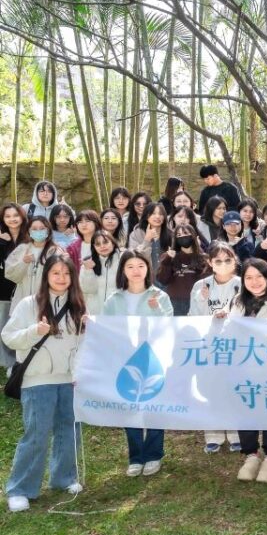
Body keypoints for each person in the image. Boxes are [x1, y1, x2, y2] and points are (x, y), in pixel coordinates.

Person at [2, 254, 87, 512]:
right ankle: (20, 488)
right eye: (56, 273)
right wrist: (34, 332)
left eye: (66, 273)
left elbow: (83, 346)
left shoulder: (77, 306)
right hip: (37, 381)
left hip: (69, 381)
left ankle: (64, 478)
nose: (61, 278)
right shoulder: (29, 304)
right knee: (37, 434)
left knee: (69, 430)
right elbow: (9, 337)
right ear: (46, 275)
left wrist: (79, 371)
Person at [103, 250, 173, 477]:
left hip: (153, 358)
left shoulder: (160, 296)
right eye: (130, 266)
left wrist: (157, 309)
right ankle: (135, 457)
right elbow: (106, 330)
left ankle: (153, 454)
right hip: (124, 360)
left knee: (154, 406)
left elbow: (170, 327)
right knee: (129, 407)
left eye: (140, 266)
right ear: (123, 270)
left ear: (148, 269)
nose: (136, 271)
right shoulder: (114, 300)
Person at [223, 258, 267, 483]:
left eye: (259, 277)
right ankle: (250, 455)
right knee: (246, 409)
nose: (254, 282)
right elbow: (228, 332)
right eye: (249, 277)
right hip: (242, 367)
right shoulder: (236, 301)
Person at [188, 242, 242, 454]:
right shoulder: (200, 286)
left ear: (234, 261)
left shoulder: (242, 284)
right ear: (210, 262)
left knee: (233, 388)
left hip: (236, 346)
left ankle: (236, 433)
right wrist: (203, 302)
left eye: (228, 260)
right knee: (210, 389)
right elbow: (193, 317)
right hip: (209, 345)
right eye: (218, 261)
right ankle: (213, 435)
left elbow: (249, 314)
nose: (223, 264)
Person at [5, 216, 65, 313]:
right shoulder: (22, 249)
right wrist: (23, 263)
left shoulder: (56, 251)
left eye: (42, 228)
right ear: (29, 231)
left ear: (48, 230)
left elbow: (63, 278)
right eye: (34, 229)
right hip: (22, 304)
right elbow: (10, 274)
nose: (38, 231)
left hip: (47, 305)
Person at [156, 225, 208, 315]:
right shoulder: (169, 256)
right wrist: (168, 259)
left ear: (193, 235)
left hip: (197, 300)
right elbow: (163, 280)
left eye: (185, 233)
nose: (182, 237)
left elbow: (206, 280)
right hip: (174, 301)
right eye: (179, 235)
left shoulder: (203, 258)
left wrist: (199, 252)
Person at [0, 203, 27, 371]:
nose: (12, 219)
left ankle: (22, 360)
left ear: (22, 217)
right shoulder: (1, 238)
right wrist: (2, 243)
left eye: (15, 215)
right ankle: (9, 363)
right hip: (4, 290)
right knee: (5, 326)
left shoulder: (29, 237)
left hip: (26, 288)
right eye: (8, 216)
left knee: (23, 326)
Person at [79, 230, 121, 316]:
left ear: (113, 243)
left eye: (105, 242)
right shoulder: (88, 262)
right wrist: (88, 270)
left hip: (118, 312)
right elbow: (87, 290)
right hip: (95, 313)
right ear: (93, 247)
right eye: (98, 244)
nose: (102, 246)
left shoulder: (123, 260)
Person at [128, 203, 172, 276]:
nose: (157, 216)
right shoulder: (136, 234)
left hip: (166, 278)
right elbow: (133, 257)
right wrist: (147, 240)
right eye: (153, 213)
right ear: (146, 216)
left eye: (161, 214)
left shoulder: (171, 235)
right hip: (145, 277)